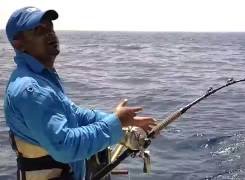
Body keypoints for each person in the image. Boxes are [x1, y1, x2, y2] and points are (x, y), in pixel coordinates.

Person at [4, 6, 157, 180]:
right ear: (19, 44)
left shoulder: (43, 78)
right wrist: (116, 123)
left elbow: (74, 114)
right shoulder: (31, 90)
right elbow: (65, 147)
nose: (50, 34)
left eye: (50, 27)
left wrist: (123, 122)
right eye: (40, 30)